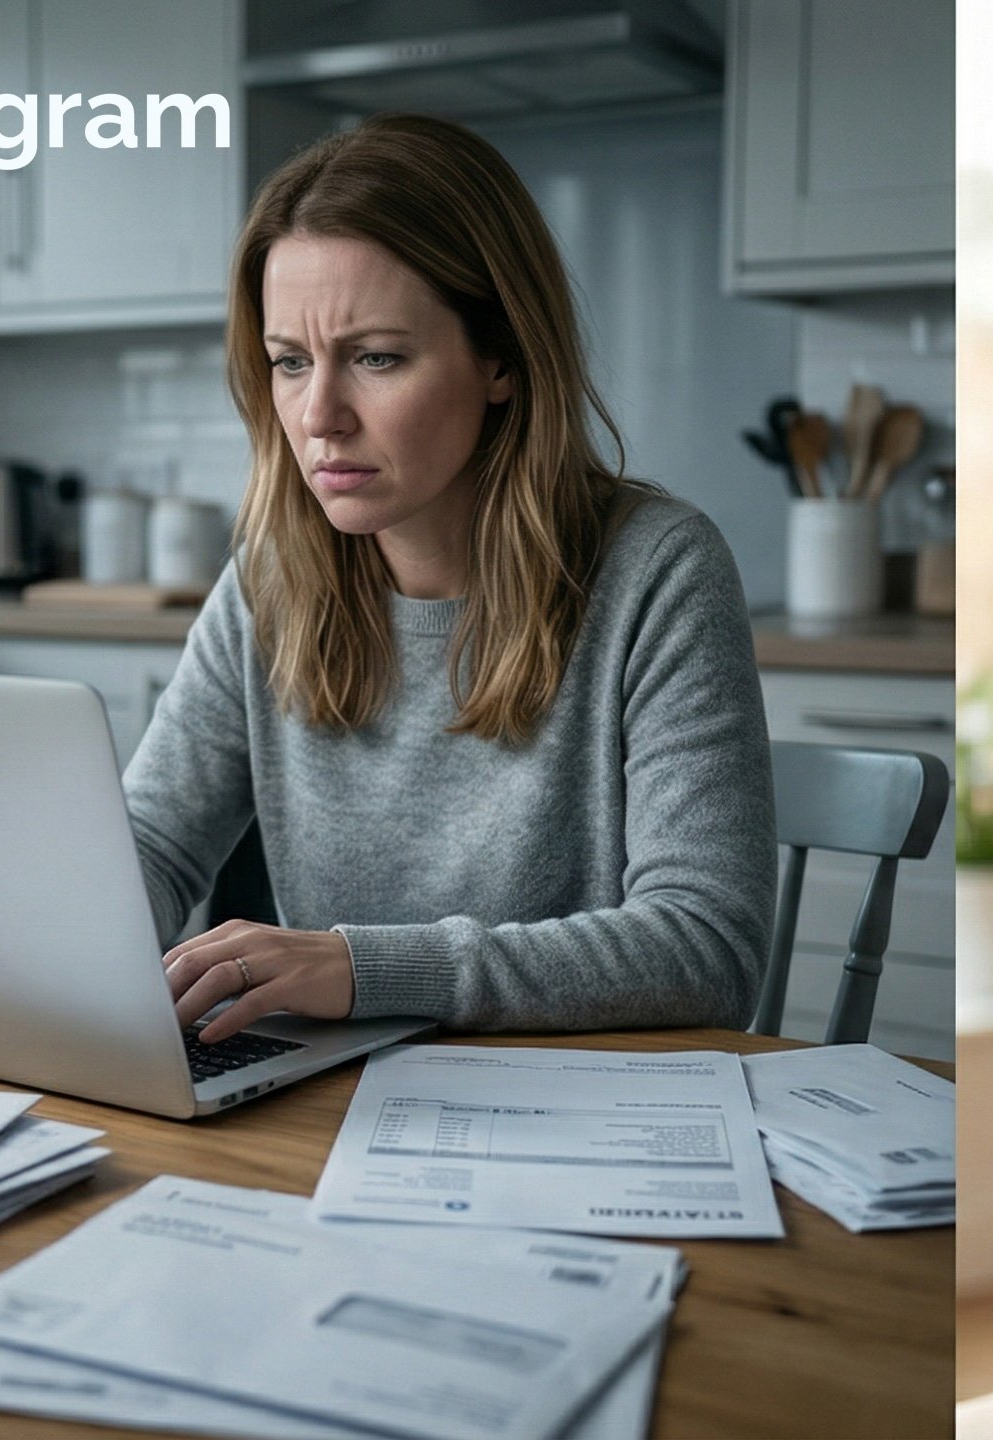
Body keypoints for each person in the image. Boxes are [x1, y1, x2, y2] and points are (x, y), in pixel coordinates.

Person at [122, 113, 775, 1046]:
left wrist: (367, 969)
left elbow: (709, 949)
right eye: (289, 363)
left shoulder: (658, 572)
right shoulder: (273, 578)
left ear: (501, 357)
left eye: (376, 357)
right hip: (335, 1102)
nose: (320, 417)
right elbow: (149, 847)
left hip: (578, 1111)